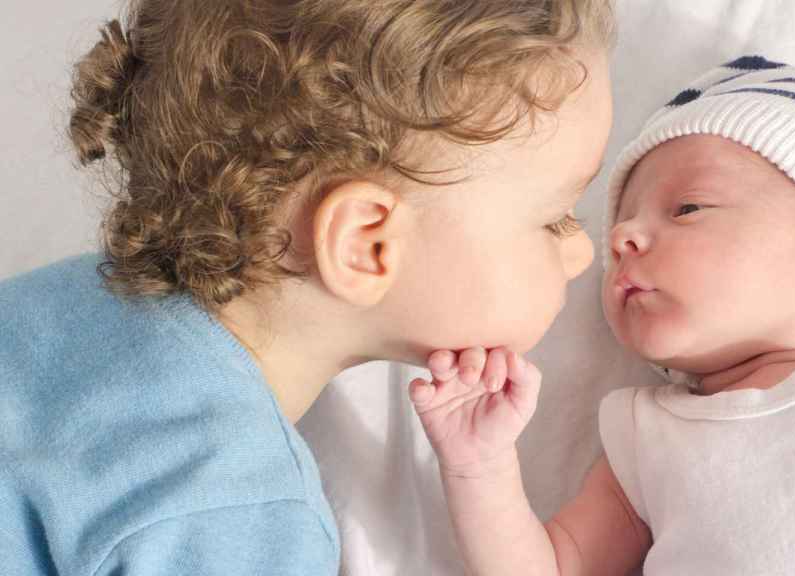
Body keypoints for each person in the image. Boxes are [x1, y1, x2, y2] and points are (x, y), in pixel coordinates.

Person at [0, 1, 615, 573]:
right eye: (557, 217)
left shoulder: (55, 301)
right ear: (364, 244)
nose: (585, 250)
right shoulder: (237, 508)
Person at [410, 57, 795, 574]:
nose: (622, 235)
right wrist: (479, 466)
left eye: (686, 208)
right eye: (621, 224)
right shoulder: (646, 432)